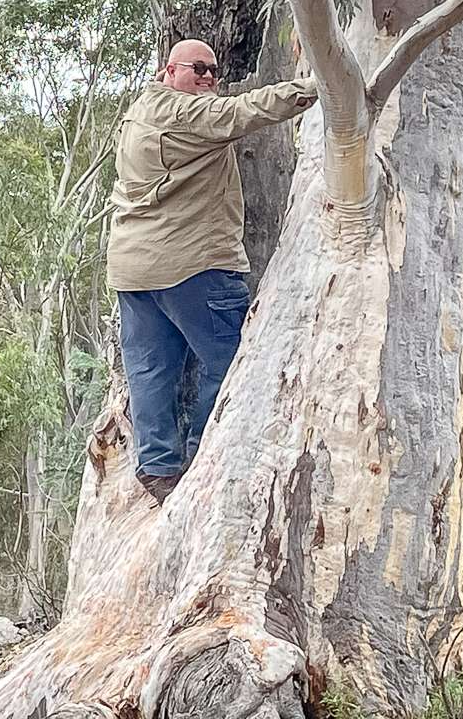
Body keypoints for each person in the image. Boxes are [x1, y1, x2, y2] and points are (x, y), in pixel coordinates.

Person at [107, 39, 318, 500]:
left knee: (150, 372)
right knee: (236, 363)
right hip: (192, 267)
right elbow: (245, 111)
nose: (208, 78)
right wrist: (317, 84)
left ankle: (158, 468)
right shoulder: (186, 114)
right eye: (197, 68)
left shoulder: (140, 110)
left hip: (133, 271)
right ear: (169, 70)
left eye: (214, 71)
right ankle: (206, 454)